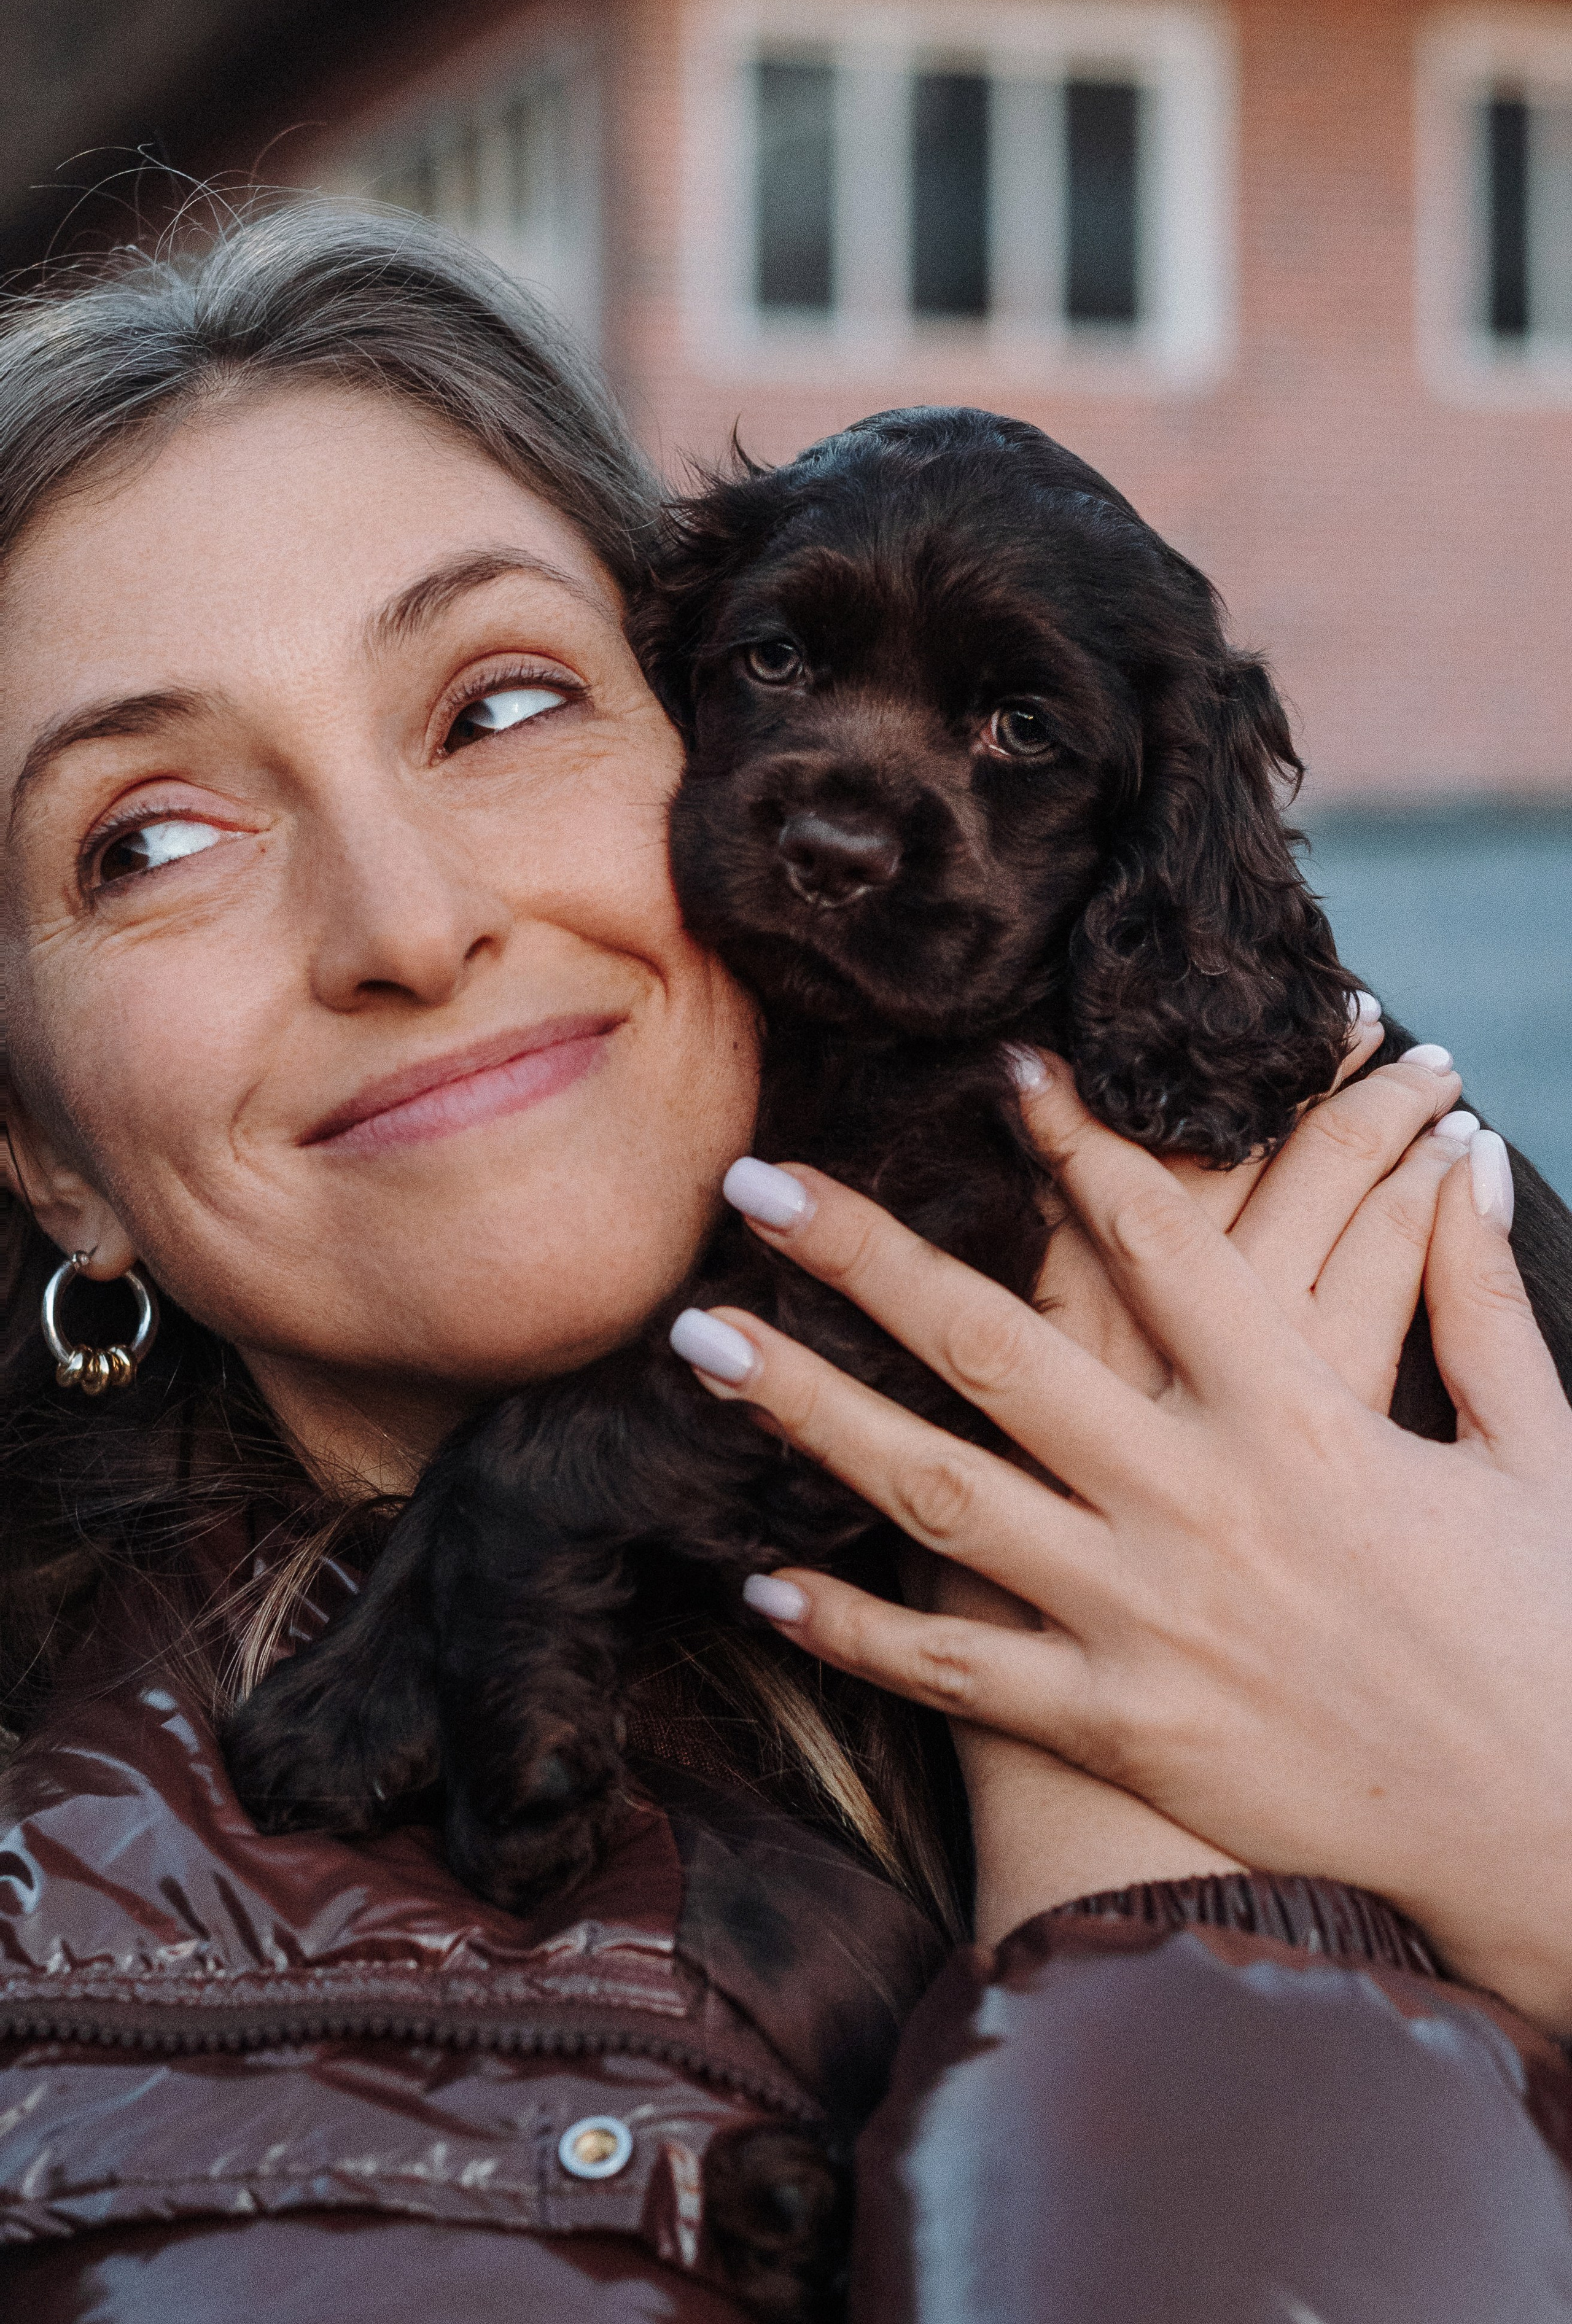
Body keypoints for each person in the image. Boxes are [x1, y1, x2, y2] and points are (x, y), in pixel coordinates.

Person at [2, 205, 1571, 2323]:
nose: (410, 920)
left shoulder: (1157, 1130)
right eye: (152, 838)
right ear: (38, 1158)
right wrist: (1172, 1890)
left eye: (498, 705)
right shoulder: (129, 2004)